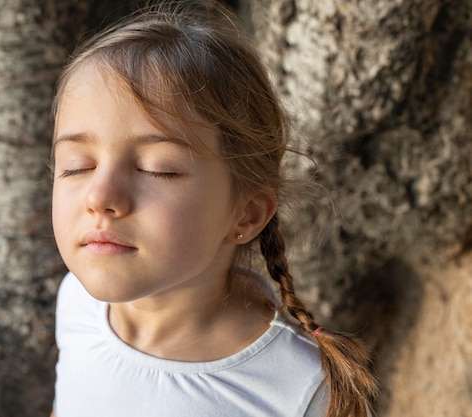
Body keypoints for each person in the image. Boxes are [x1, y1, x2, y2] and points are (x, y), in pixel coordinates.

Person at [49, 1, 377, 416]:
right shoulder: (77, 305)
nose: (100, 197)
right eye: (78, 166)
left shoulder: (302, 390)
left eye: (157, 170)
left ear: (247, 214)